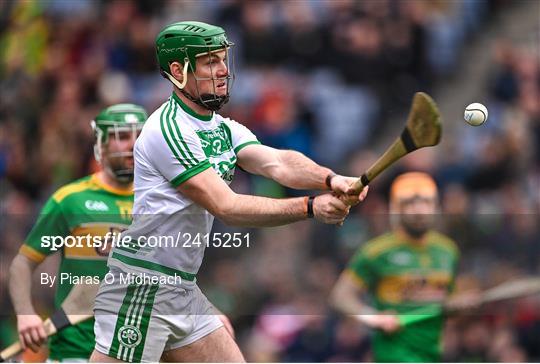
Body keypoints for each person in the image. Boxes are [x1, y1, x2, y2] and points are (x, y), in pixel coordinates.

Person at [90, 20, 368, 363]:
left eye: (223, 59)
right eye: (210, 62)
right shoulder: (168, 131)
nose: (222, 70)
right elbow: (227, 205)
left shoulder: (220, 127)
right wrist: (311, 207)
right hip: (143, 286)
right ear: (177, 71)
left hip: (181, 286)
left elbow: (277, 162)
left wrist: (330, 179)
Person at [9, 104, 147, 361]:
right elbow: (23, 263)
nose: (133, 144)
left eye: (140, 136)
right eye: (123, 136)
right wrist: (26, 313)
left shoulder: (158, 201)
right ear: (101, 145)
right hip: (76, 351)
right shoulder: (71, 200)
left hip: (137, 350)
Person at [330, 172, 463, 362]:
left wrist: (459, 307)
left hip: (433, 355)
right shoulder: (376, 252)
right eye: (409, 203)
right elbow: (340, 297)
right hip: (393, 355)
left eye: (426, 202)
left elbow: (446, 303)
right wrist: (373, 318)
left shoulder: (448, 251)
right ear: (396, 208)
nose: (419, 210)